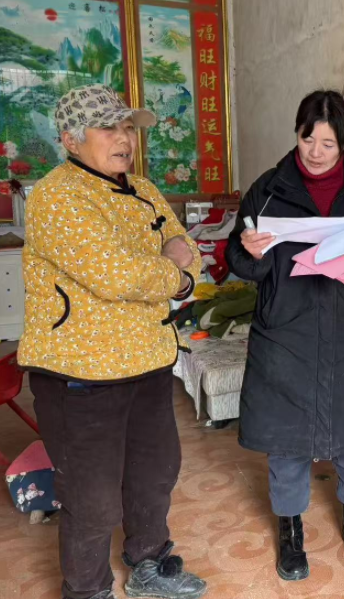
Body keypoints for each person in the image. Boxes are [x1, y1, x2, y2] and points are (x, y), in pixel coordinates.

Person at [17, 85, 207, 599]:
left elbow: (187, 247)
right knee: (93, 497)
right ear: (70, 140)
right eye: (109, 128)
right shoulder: (56, 196)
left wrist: (176, 270)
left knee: (154, 475)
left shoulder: (143, 188)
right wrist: (172, 270)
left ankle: (149, 565)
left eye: (128, 128)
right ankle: (88, 590)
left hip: (148, 360)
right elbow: (118, 276)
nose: (124, 139)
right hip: (81, 374)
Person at [225, 90, 344, 581]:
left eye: (328, 144)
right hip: (287, 332)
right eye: (308, 139)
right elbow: (239, 261)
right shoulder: (268, 189)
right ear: (298, 133)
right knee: (286, 439)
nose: (315, 152)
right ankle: (290, 532)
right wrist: (250, 251)